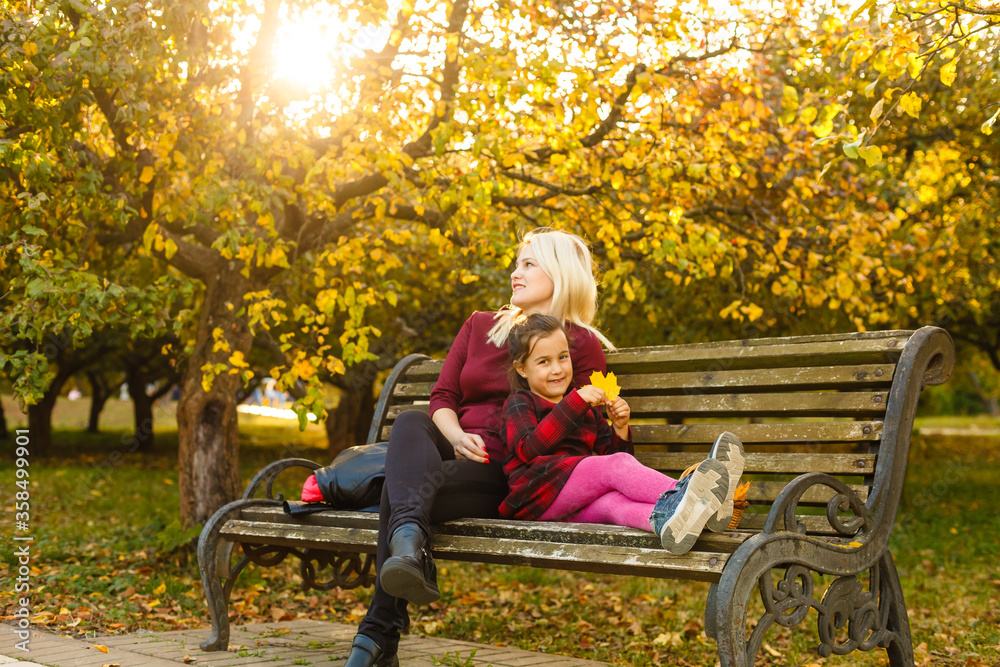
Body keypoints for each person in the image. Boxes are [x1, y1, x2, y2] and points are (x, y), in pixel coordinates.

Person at [343, 229, 615, 667]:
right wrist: (454, 437)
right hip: (447, 451)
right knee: (413, 421)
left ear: (560, 273)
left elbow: (585, 431)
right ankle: (403, 561)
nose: (515, 272)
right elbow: (442, 399)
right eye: (516, 263)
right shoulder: (480, 324)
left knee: (402, 494)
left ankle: (378, 632)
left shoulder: (577, 344)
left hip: (507, 471)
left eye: (529, 264)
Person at [499, 314, 746, 554]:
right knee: (616, 467)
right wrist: (575, 401)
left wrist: (619, 427)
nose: (557, 369)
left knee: (613, 505)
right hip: (534, 498)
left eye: (563, 357)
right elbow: (528, 448)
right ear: (522, 368)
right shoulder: (520, 402)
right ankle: (690, 494)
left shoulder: (585, 409)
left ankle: (673, 523)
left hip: (572, 507)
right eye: (544, 362)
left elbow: (618, 461)